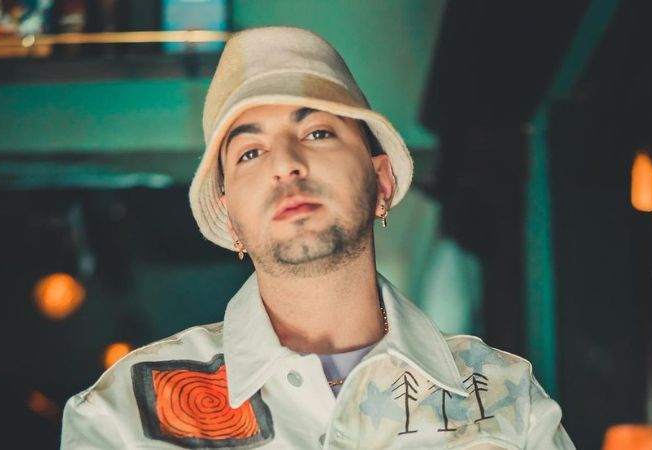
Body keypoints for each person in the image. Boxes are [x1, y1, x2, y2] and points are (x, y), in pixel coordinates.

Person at [61, 26, 575, 449]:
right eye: (250, 153)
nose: (286, 164)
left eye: (317, 133)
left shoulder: (506, 397)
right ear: (230, 218)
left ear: (381, 182)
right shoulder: (124, 416)